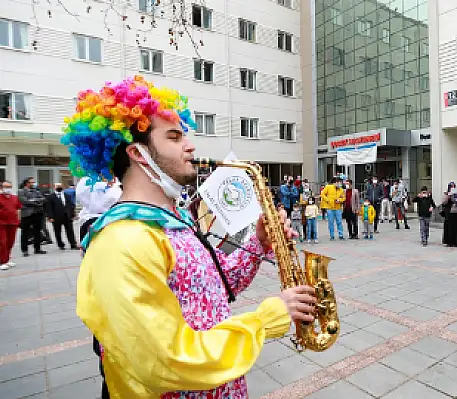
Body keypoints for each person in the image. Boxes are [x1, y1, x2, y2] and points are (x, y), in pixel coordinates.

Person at [63, 75, 316, 398]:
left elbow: (216, 290)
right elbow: (166, 361)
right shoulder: (122, 241)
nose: (190, 145)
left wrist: (259, 241)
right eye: (174, 137)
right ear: (139, 154)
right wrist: (267, 318)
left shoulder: (175, 220)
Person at [76, 176, 122, 241]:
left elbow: (81, 196)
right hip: (108, 220)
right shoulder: (88, 181)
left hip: (98, 219)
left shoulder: (88, 181)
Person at [18, 177, 47, 257]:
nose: (33, 184)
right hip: (27, 214)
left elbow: (43, 199)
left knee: (37, 232)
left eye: (33, 182)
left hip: (37, 213)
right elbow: (24, 201)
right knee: (25, 233)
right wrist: (36, 202)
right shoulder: (21, 191)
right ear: (26, 183)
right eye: (31, 182)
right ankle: (25, 250)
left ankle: (37, 249)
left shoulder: (36, 191)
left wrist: (33, 200)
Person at [46, 183, 80, 250]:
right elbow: (49, 208)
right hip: (56, 217)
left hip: (67, 216)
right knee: (57, 231)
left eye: (60, 186)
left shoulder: (67, 195)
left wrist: (72, 214)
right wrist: (50, 217)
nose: (59, 187)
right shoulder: (50, 197)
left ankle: (73, 244)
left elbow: (71, 205)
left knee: (70, 230)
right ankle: (60, 244)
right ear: (54, 187)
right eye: (57, 186)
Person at [0, 181, 22, 270]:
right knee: (2, 242)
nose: (7, 188)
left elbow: (19, 209)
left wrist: (19, 220)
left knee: (10, 242)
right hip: (1, 223)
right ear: (1, 187)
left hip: (13, 223)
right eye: (6, 186)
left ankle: (7, 259)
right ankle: (2, 261)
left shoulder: (15, 198)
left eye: (9, 187)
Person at [441, 182, 457, 247]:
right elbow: (443, 203)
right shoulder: (446, 194)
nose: (452, 188)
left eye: (454, 186)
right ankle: (450, 242)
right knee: (450, 228)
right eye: (451, 187)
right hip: (450, 213)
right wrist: (448, 196)